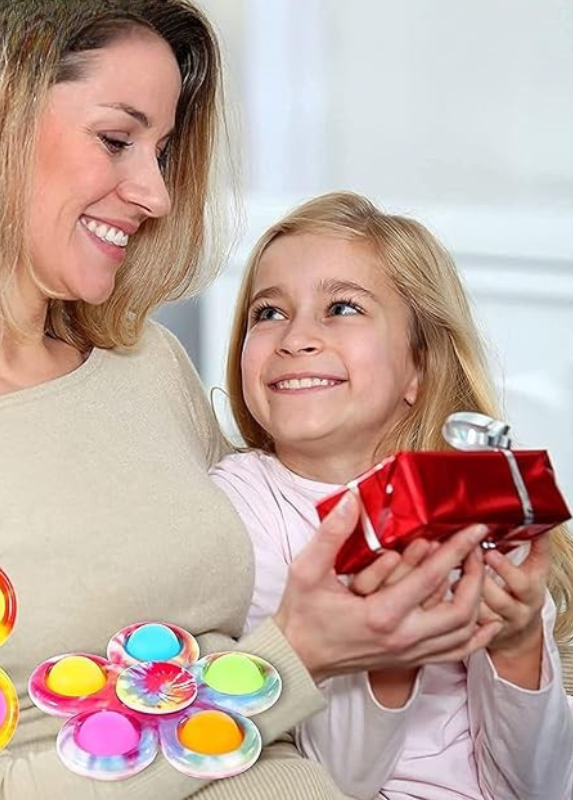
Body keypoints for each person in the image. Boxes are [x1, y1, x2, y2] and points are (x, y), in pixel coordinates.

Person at [0, 2, 502, 797]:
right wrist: (294, 659)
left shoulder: (143, 363)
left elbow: (280, 564)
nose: (155, 194)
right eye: (117, 140)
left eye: (162, 151)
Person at [210, 190, 573, 800]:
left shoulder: (468, 497)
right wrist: (390, 652)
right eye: (268, 313)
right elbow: (335, 780)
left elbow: (539, 785)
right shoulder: (244, 507)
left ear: (418, 367)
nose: (296, 337)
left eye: (342, 307)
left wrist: (515, 644)